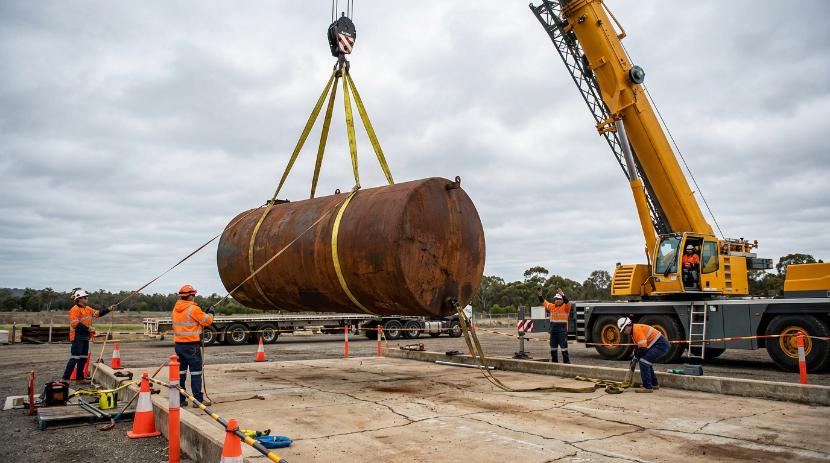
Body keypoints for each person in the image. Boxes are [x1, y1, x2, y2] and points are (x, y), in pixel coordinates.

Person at [172, 284, 215, 407]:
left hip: (179, 346)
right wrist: (211, 312)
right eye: (194, 295)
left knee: (181, 374)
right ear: (190, 296)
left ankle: (180, 399)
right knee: (196, 373)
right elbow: (207, 321)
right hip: (192, 346)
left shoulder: (176, 308)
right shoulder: (193, 309)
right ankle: (198, 401)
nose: (195, 297)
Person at [62, 289, 116, 383]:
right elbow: (75, 324)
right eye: (85, 297)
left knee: (83, 358)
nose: (87, 298)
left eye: (86, 297)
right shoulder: (74, 310)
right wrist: (89, 329)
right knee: (74, 358)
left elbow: (98, 313)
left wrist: (109, 309)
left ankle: (80, 378)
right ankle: (65, 379)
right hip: (77, 336)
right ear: (79, 299)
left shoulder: (87, 309)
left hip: (85, 336)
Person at [617, 317, 670, 393]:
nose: (624, 332)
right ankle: (654, 384)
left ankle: (648, 387)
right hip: (658, 344)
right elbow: (639, 347)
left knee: (644, 361)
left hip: (660, 345)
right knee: (647, 362)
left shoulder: (636, 330)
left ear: (628, 325)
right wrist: (635, 356)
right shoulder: (634, 331)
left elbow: (643, 348)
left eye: (624, 329)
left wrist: (636, 358)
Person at [536, 287, 571, 364]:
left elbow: (568, 302)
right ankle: (555, 364)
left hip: (562, 332)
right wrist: (540, 295)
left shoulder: (565, 307)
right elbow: (544, 302)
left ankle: (567, 364)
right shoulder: (552, 306)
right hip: (553, 332)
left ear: (562, 300)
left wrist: (562, 294)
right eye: (556, 299)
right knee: (553, 349)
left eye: (559, 299)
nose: (557, 300)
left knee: (564, 349)